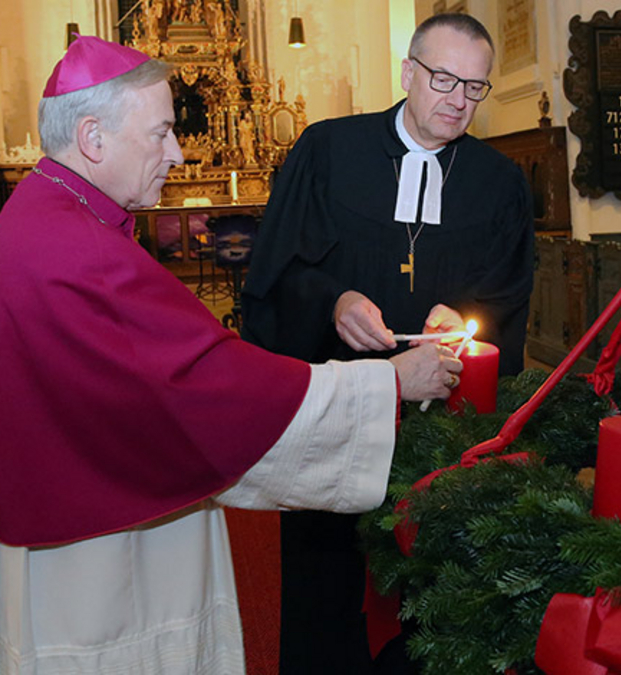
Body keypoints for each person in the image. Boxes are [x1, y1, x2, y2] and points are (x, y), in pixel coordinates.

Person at [0, 35, 462, 675]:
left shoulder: (42, 214)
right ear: (92, 138)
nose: (178, 152)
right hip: (103, 567)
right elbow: (210, 387)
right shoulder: (84, 252)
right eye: (160, 133)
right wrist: (385, 385)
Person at [240, 12, 534, 675]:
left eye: (475, 87)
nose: (458, 99)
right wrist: (333, 302)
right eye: (443, 79)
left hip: (440, 428)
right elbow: (275, 271)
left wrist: (462, 315)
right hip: (339, 412)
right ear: (408, 73)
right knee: (328, 582)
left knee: (434, 581)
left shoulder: (500, 182)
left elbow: (509, 293)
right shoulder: (326, 151)